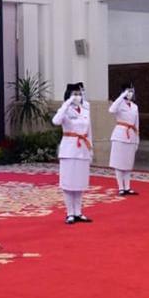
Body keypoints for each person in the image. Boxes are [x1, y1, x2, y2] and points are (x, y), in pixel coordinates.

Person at [53, 83, 93, 223]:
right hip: (69, 150)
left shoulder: (85, 111)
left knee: (80, 182)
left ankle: (78, 212)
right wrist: (67, 103)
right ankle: (70, 213)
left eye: (79, 94)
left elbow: (89, 132)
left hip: (82, 149)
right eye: (74, 94)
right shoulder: (65, 111)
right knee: (68, 182)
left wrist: (90, 149)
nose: (78, 96)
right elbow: (56, 121)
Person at [108, 83, 139, 195]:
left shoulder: (135, 107)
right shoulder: (119, 104)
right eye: (128, 91)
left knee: (128, 163)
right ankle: (121, 187)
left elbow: (137, 125)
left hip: (131, 135)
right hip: (120, 135)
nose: (130, 93)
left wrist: (137, 140)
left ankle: (127, 187)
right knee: (119, 163)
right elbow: (111, 109)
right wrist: (122, 96)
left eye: (131, 91)